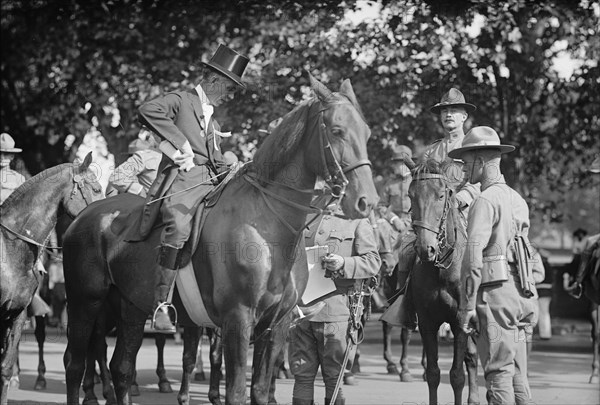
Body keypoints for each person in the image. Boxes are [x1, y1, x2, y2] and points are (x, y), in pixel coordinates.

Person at [137, 44, 249, 332]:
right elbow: (147, 109)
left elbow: (215, 158)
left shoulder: (212, 116)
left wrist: (236, 168)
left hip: (211, 179)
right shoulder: (181, 100)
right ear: (212, 79)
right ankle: (161, 305)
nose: (231, 95)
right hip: (184, 180)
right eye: (229, 87)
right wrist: (180, 142)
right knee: (178, 225)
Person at [453, 126, 538, 404]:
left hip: (496, 298)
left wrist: (466, 308)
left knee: (497, 370)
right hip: (523, 295)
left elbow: (473, 257)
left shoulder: (484, 200)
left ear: (481, 161)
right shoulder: (517, 199)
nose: (464, 169)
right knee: (517, 372)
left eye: (467, 162)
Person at [289, 200, 381, 405]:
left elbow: (373, 261)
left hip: (337, 310)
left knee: (334, 376)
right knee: (302, 374)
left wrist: (343, 263)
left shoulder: (356, 221)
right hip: (301, 310)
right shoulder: (304, 215)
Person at [107, 129, 162, 197]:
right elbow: (110, 195)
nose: (132, 158)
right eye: (131, 156)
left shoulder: (150, 160)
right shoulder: (125, 170)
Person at [377, 144, 413, 235]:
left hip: (415, 223)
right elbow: (381, 206)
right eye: (395, 163)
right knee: (379, 229)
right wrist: (394, 219)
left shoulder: (418, 182)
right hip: (394, 225)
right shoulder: (390, 183)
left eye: (397, 163)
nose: (394, 166)